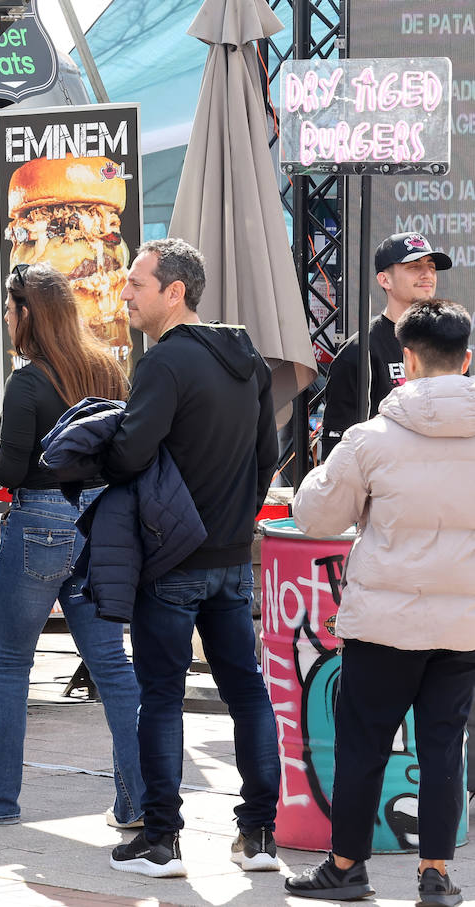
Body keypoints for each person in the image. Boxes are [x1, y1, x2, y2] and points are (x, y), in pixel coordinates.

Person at [286, 299, 475, 907]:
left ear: (408, 361)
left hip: (384, 625)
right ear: (468, 360)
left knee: (363, 743)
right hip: (465, 622)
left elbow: (316, 515)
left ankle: (346, 868)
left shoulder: (371, 438)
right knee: (445, 745)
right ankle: (436, 874)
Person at [101, 238, 281, 878]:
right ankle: (259, 838)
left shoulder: (164, 363)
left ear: (173, 292)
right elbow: (269, 457)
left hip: (173, 561)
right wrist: (237, 518)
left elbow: (128, 454)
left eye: (137, 284)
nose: (126, 293)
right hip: (232, 558)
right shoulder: (249, 359)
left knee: (162, 697)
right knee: (247, 693)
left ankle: (160, 841)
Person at [0, 262, 144, 827]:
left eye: (10, 311)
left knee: (10, 665)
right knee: (111, 664)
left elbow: (9, 469)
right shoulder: (106, 369)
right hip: (100, 523)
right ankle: (139, 800)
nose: (7, 320)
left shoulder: (29, 381)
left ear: (28, 314)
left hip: (41, 523)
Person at [320, 231, 451, 458]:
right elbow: (338, 451)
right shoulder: (359, 351)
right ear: (384, 280)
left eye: (431, 266)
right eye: (413, 266)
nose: (427, 273)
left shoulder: (447, 344)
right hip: (385, 487)